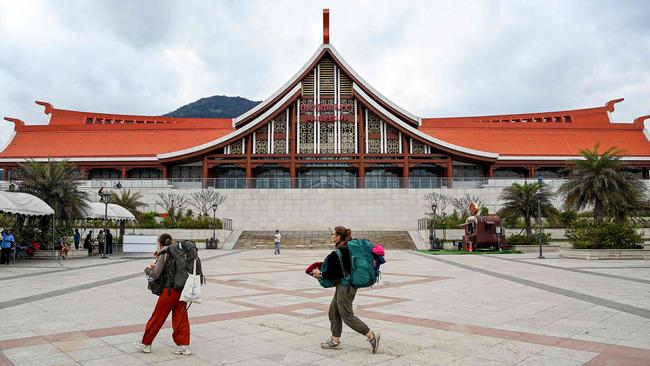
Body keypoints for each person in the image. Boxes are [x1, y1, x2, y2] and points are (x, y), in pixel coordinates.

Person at [310, 226, 381, 353]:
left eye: (333, 234)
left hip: (345, 287)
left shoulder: (338, 252)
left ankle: (371, 336)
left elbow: (332, 275)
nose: (331, 236)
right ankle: (335, 341)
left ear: (339, 237)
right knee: (333, 311)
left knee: (347, 316)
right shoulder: (348, 247)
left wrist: (319, 274)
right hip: (346, 285)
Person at [135, 234, 191, 355]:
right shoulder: (179, 252)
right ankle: (183, 346)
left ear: (160, 243)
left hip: (169, 291)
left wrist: (147, 269)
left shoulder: (164, 253)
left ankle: (146, 344)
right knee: (181, 317)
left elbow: (155, 274)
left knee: (157, 317)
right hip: (181, 289)